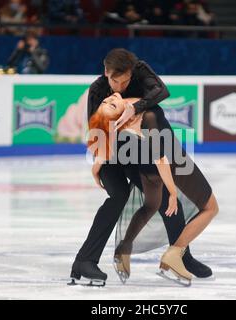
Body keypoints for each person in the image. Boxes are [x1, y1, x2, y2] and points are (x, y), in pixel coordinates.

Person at [69, 48, 212, 286]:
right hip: (111, 152)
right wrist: (98, 163)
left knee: (165, 194)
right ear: (106, 72)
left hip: (139, 150)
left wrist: (133, 108)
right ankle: (84, 261)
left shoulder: (139, 71)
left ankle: (181, 256)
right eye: (116, 81)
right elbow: (97, 132)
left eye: (125, 81)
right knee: (119, 196)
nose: (121, 87)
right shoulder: (98, 91)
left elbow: (162, 92)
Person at [88, 93, 219, 285]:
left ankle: (124, 248)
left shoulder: (119, 127)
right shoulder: (142, 121)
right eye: (111, 105)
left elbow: (104, 150)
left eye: (108, 100)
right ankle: (174, 256)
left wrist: (96, 167)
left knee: (151, 205)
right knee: (199, 208)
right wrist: (173, 192)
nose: (112, 98)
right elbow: (161, 160)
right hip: (157, 166)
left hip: (144, 168)